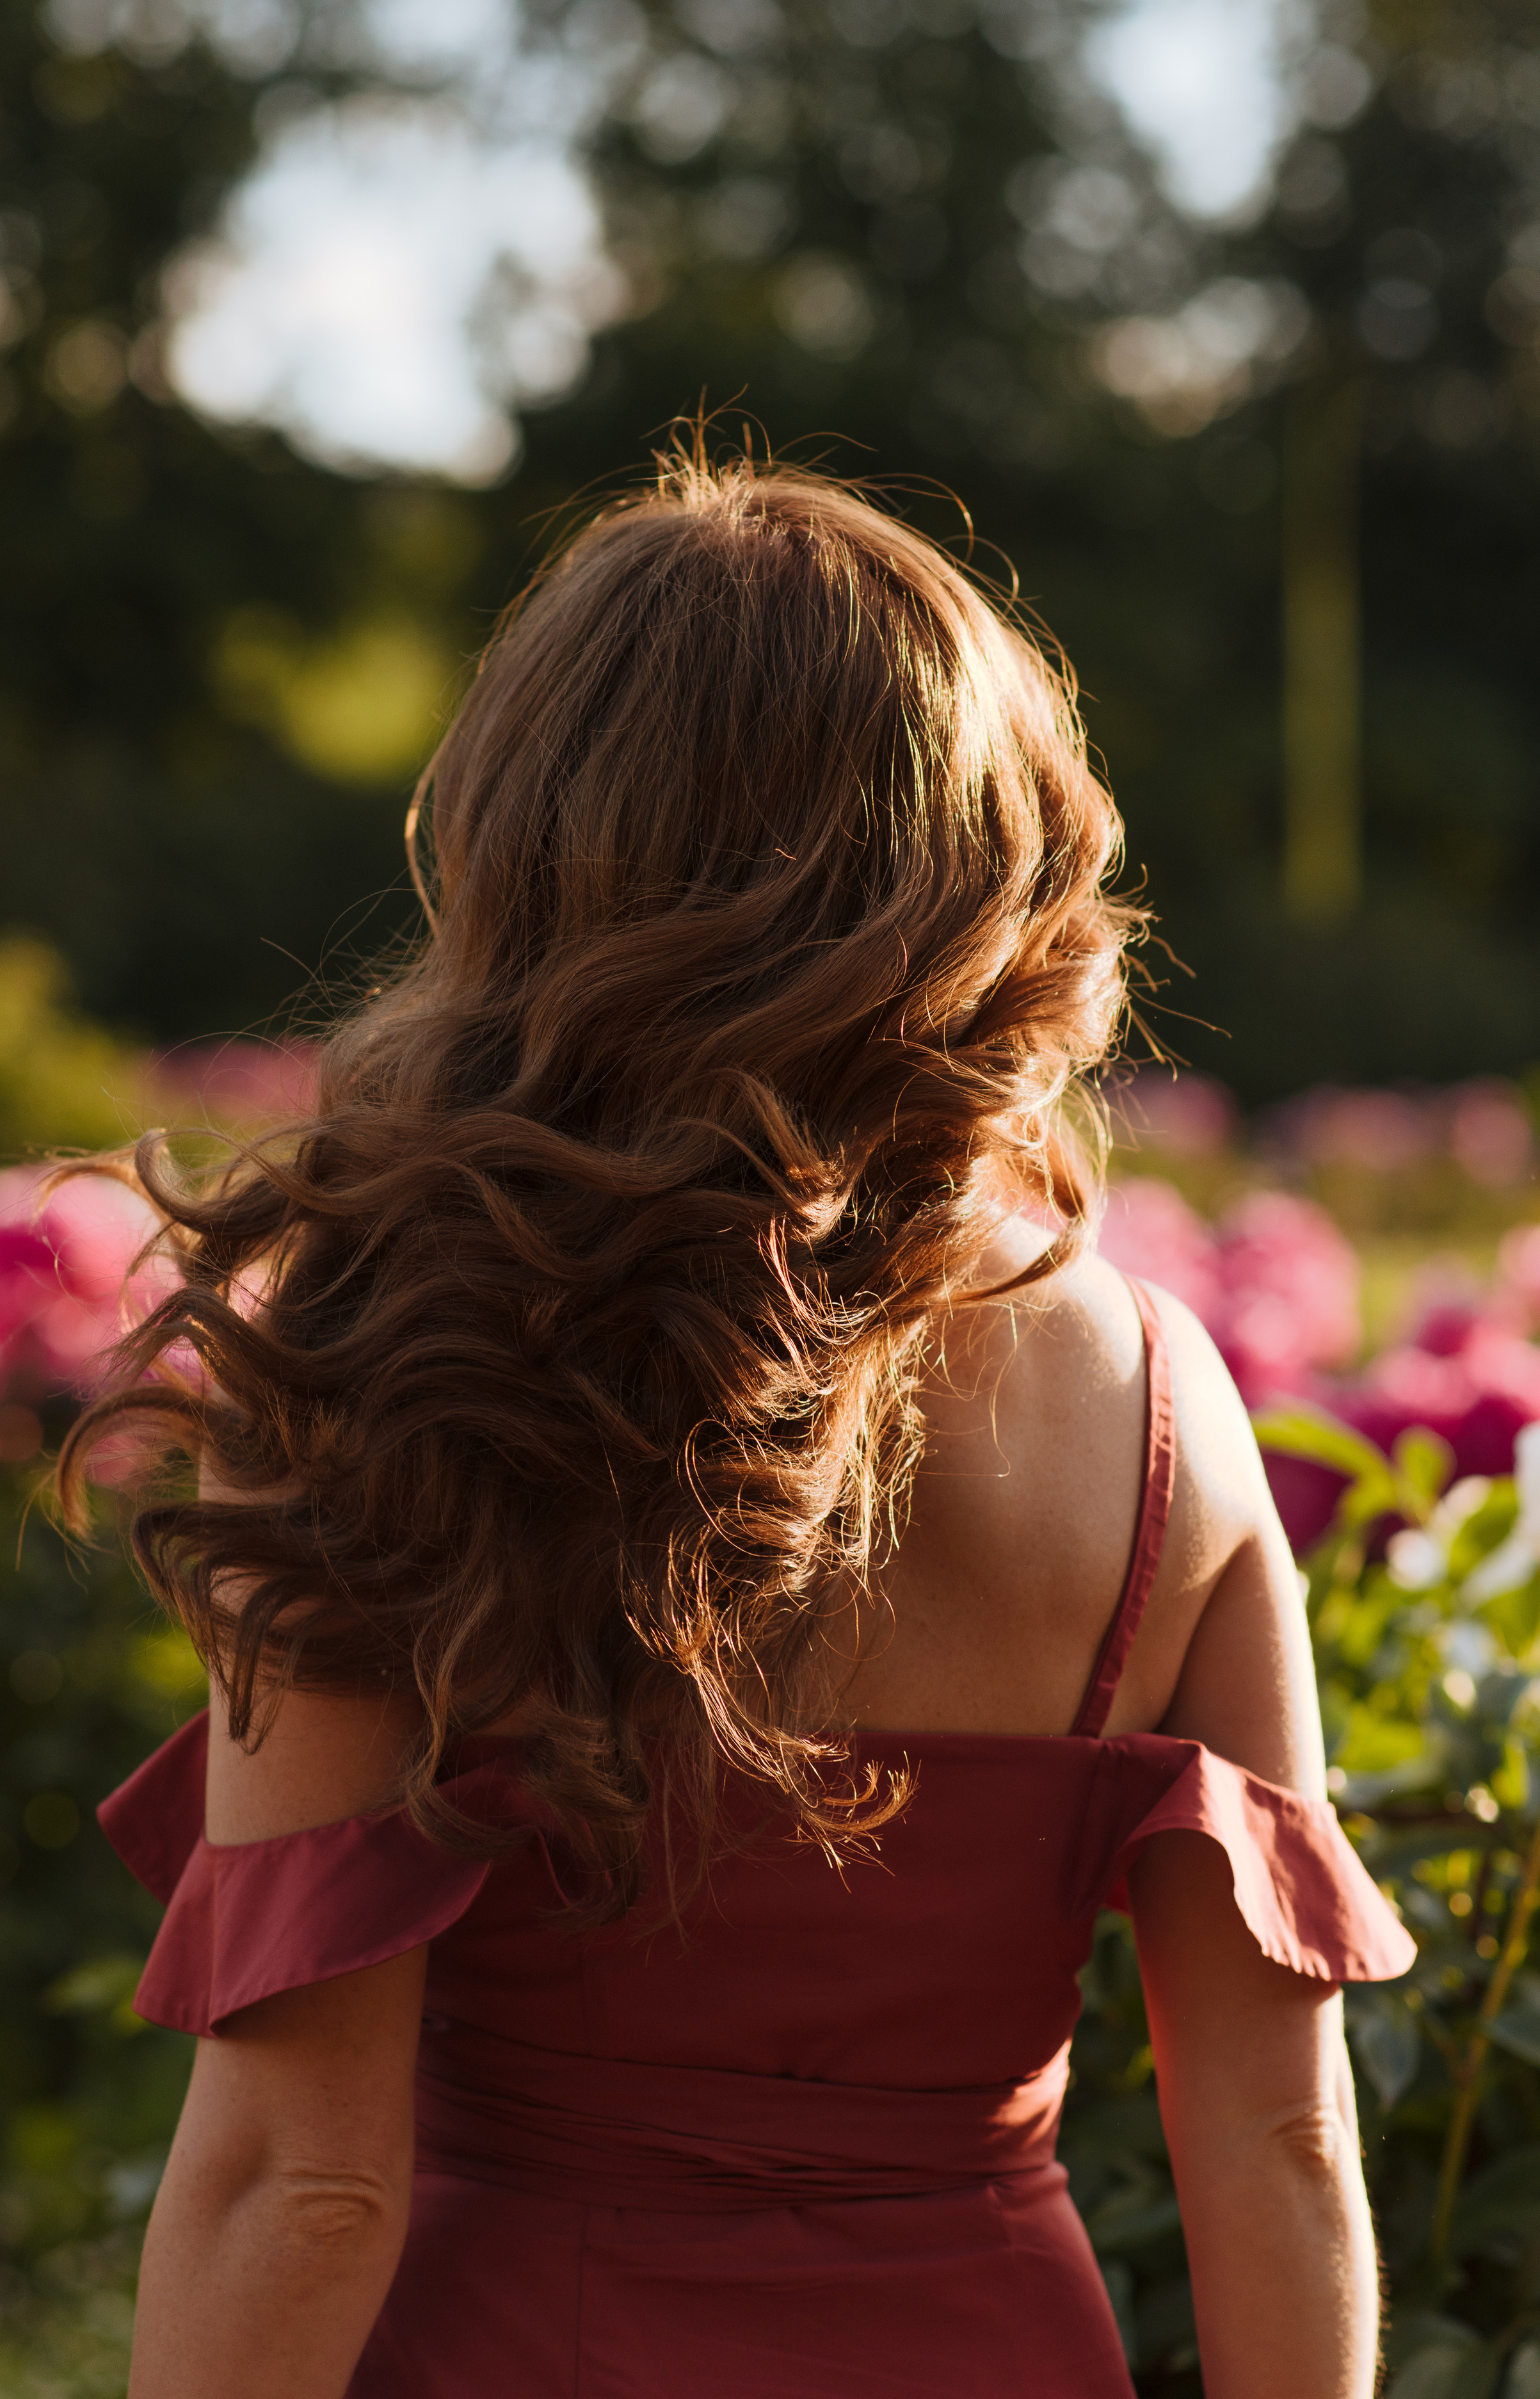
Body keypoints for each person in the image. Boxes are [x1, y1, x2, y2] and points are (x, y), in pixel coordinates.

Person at [76, 449, 1413, 2399]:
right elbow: (1280, 2149)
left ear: (536, 849)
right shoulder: (1160, 1407)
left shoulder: (384, 1372)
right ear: (987, 865)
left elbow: (305, 2183)